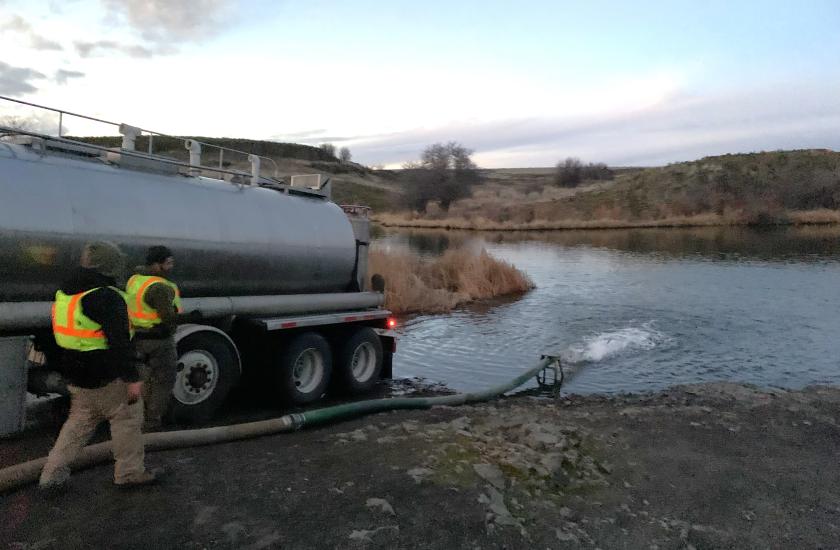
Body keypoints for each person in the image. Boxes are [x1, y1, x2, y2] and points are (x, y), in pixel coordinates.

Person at [40, 241, 159, 489]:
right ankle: (129, 474)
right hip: (107, 374)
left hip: (76, 372)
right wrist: (132, 379)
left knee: (78, 424)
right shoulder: (107, 297)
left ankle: (51, 475)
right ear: (110, 265)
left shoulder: (67, 291)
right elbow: (119, 344)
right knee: (126, 420)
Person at [126, 245, 181, 431]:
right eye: (168, 263)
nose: (171, 267)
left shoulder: (135, 280)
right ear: (157, 265)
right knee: (163, 381)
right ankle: (152, 422)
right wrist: (184, 318)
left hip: (138, 337)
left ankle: (137, 419)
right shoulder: (159, 287)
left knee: (144, 380)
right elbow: (167, 317)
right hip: (159, 340)